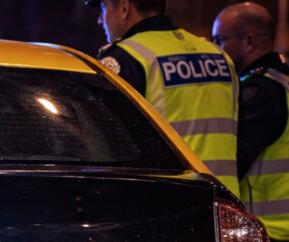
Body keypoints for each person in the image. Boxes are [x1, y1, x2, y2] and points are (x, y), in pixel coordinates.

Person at [87, 0, 241, 196]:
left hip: (170, 200)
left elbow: (107, 146)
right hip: (226, 202)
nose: (100, 20)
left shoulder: (125, 59)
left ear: (125, 7)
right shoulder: (219, 55)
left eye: (103, 8)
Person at [212, 2, 289, 242]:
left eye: (220, 40)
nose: (216, 49)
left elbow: (239, 157)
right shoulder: (282, 81)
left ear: (249, 41)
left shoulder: (259, 91)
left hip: (273, 232)